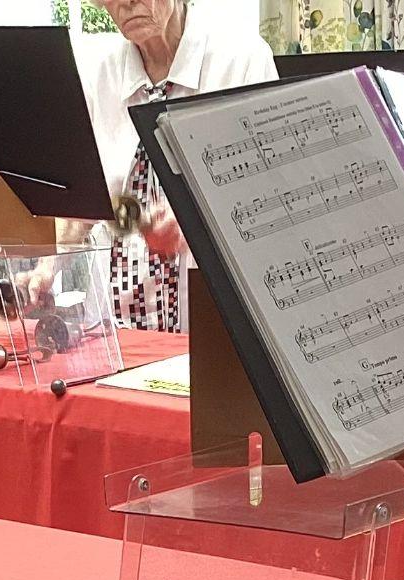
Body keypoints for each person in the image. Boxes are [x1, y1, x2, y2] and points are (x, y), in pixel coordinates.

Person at [75, 0, 277, 332]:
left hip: (209, 321)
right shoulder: (99, 75)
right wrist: (47, 265)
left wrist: (192, 225)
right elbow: (93, 200)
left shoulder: (241, 61)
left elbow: (264, 195)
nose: (125, 2)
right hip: (114, 324)